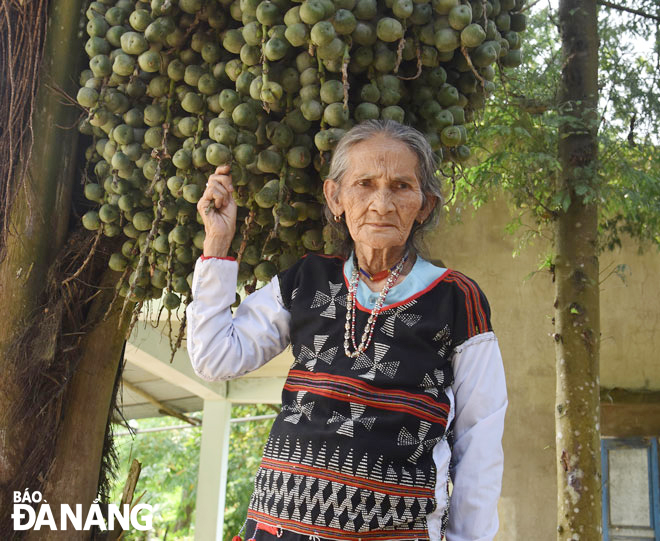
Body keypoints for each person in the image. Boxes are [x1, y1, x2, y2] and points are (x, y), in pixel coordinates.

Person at [186, 119, 507, 541]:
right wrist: (217, 242)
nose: (381, 204)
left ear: (425, 205)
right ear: (335, 197)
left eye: (401, 187)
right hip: (276, 529)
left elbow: (479, 440)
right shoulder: (307, 279)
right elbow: (214, 358)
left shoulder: (455, 299)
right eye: (365, 184)